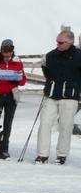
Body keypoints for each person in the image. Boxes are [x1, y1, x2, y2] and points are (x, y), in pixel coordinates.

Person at [35, 30, 81, 164]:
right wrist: (51, 82)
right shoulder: (51, 55)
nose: (58, 44)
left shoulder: (78, 56)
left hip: (69, 97)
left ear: (69, 43)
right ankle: (42, 155)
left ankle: (62, 155)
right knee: (44, 124)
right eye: (57, 41)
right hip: (51, 95)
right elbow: (45, 68)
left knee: (65, 126)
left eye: (60, 42)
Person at [0, 39, 27, 159]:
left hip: (11, 96)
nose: (7, 54)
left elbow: (23, 81)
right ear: (1, 51)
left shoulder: (17, 62)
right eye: (5, 51)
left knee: (8, 123)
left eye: (10, 51)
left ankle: (3, 149)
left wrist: (17, 78)